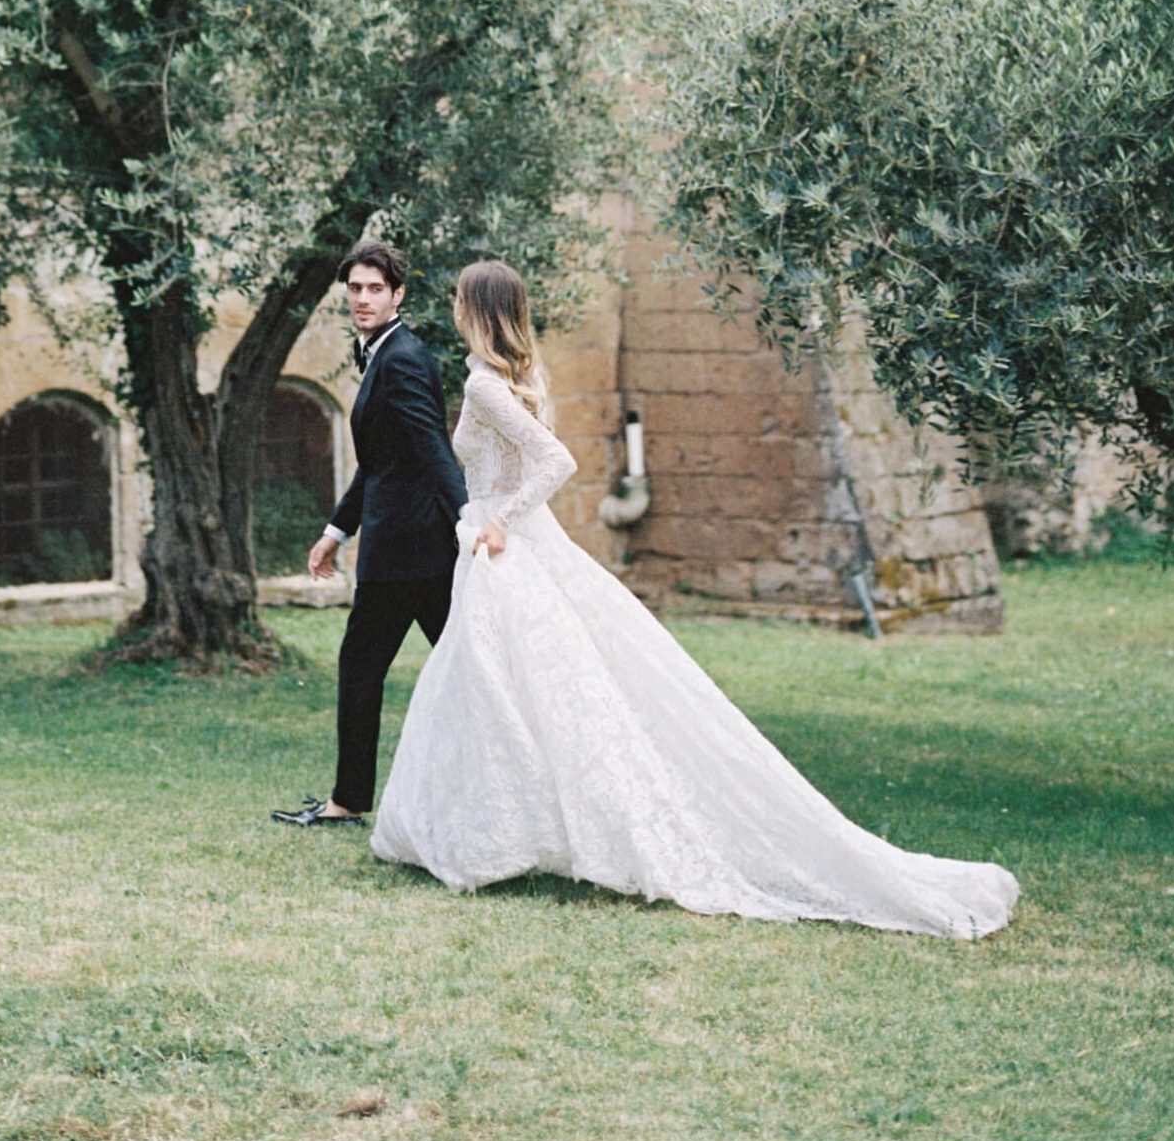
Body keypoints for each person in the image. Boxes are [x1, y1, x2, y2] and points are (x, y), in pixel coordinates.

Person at [370, 259, 1019, 939]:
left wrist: (500, 519)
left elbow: (557, 461)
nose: (450, 307)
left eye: (458, 299)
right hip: (508, 547)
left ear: (477, 309)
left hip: (508, 549)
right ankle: (493, 829)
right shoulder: (519, 376)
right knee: (500, 687)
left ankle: (500, 837)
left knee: (509, 687)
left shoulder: (484, 386)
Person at [272, 240, 467, 829]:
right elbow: (381, 460)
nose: (362, 298)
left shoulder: (402, 357)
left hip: (409, 550)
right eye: (355, 288)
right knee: (467, 667)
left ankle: (348, 801)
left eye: (374, 289)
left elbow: (433, 448)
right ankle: (353, 797)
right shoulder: (386, 353)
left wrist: (468, 522)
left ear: (398, 294)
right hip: (413, 545)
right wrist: (337, 529)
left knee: (362, 666)